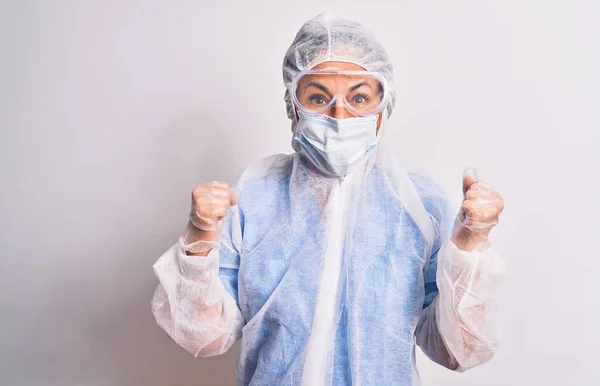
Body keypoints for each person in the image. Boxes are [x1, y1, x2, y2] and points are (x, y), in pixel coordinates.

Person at [151, 12, 506, 386]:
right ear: (293, 105)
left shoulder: (419, 202)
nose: (339, 114)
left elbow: (455, 351)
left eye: (359, 97)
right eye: (318, 96)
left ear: (382, 109)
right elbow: (205, 337)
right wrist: (199, 240)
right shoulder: (253, 194)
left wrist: (470, 247)